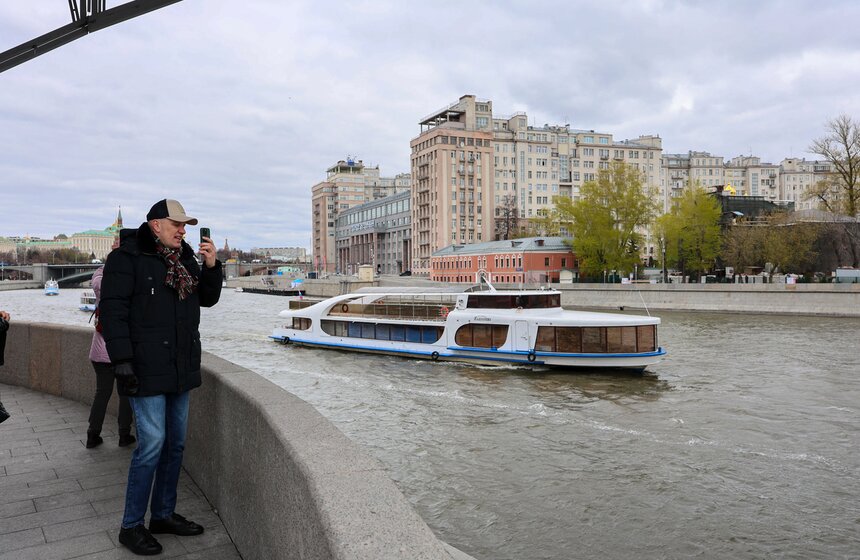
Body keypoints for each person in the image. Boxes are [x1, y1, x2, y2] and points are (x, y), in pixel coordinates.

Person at [100, 199, 222, 556]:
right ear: (155, 224)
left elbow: (208, 300)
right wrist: (121, 358)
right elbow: (112, 309)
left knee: (175, 445)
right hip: (144, 368)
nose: (183, 230)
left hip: (180, 367)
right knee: (151, 445)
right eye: (176, 224)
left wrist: (212, 266)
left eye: (185, 225)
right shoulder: (126, 258)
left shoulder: (184, 258)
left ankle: (163, 515)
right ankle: (131, 526)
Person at [85, 258, 135, 449]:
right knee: (125, 395)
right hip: (121, 352)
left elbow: (97, 278)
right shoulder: (124, 287)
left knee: (102, 394)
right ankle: (124, 434)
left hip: (99, 352)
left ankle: (92, 434)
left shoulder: (99, 279)